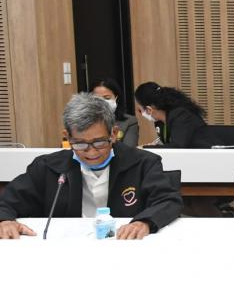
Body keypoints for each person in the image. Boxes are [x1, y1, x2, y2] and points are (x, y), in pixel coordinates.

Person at [0, 93, 183, 239]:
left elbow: (168, 200)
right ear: (67, 137)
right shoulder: (47, 167)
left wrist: (144, 222)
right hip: (67, 248)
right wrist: (5, 220)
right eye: (80, 144)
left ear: (113, 133)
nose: (91, 152)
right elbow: (8, 201)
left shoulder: (143, 163)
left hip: (123, 246)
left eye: (99, 142)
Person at [134, 82, 216, 148]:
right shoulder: (159, 122)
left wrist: (148, 148)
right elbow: (166, 143)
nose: (141, 114)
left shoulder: (181, 115)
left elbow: (177, 146)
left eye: (140, 110)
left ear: (149, 109)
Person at [90, 78, 139, 147]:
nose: (102, 103)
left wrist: (113, 142)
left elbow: (129, 148)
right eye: (97, 99)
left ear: (116, 98)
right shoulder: (82, 121)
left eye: (107, 98)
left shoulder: (129, 121)